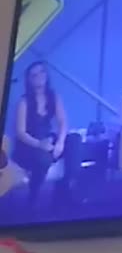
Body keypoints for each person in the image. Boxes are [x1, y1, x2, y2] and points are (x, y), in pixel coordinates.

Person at [13, 62, 81, 205]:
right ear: (29, 80)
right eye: (35, 75)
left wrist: (60, 143)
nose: (40, 76)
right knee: (43, 158)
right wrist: (40, 144)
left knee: (75, 139)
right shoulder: (24, 102)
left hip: (47, 139)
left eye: (42, 72)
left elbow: (62, 121)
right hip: (29, 144)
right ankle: (33, 195)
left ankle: (65, 186)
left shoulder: (53, 96)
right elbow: (20, 132)